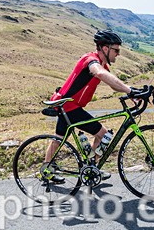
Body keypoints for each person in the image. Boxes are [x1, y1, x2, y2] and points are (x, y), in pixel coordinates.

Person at [44, 30, 140, 180]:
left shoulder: (102, 64)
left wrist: (131, 93)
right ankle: (91, 169)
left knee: (58, 139)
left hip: (67, 105)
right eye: (116, 50)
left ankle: (47, 170)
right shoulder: (90, 60)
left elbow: (112, 83)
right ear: (105, 48)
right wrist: (130, 90)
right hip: (70, 107)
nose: (118, 54)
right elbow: (99, 73)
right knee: (103, 135)